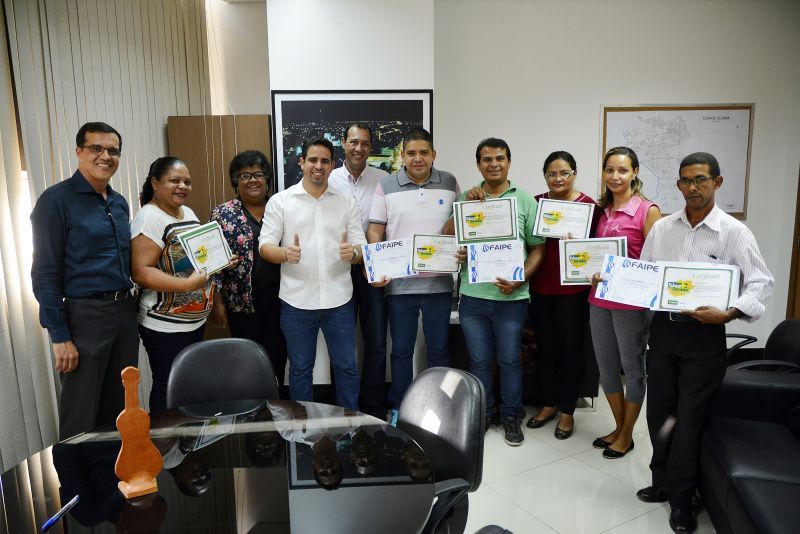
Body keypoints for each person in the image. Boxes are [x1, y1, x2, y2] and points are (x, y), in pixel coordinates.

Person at [636, 152, 773, 533]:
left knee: (689, 417)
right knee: (659, 413)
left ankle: (682, 498)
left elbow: (761, 281)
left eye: (700, 179)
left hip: (705, 335)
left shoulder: (733, 232)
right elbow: (646, 275)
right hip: (664, 331)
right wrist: (612, 279)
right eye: (686, 180)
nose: (692, 187)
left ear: (717, 182)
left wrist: (729, 314)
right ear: (678, 184)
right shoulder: (663, 229)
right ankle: (662, 480)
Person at [31, 122, 139, 440]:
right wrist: (60, 336)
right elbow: (45, 274)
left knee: (121, 408)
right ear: (79, 152)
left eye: (113, 151)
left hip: (124, 313)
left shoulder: (118, 202)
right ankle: (76, 473)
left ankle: (114, 470)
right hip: (84, 317)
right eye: (96, 148)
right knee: (81, 413)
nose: (106, 156)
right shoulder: (55, 201)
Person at [259, 137, 366, 410]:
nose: (318, 166)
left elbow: (361, 247)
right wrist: (285, 254)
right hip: (296, 300)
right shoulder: (281, 201)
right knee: (300, 369)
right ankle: (302, 426)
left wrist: (353, 253)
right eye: (313, 160)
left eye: (325, 161)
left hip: (339, 299)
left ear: (332, 165)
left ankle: (348, 424)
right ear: (302, 162)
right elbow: (265, 247)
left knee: (347, 366)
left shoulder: (346, 202)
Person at [450, 138, 545, 446]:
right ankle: (484, 413)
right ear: (479, 165)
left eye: (500, 158)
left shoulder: (525, 201)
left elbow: (538, 249)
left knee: (510, 361)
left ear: (509, 162)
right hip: (473, 297)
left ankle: (511, 415)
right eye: (487, 159)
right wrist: (465, 212)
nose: (494, 164)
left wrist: (521, 278)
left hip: (511, 299)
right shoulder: (467, 198)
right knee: (478, 362)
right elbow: (448, 237)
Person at [367, 127, 460, 424]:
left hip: (439, 284)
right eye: (411, 153)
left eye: (424, 153)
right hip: (400, 286)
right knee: (401, 351)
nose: (417, 159)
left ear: (433, 155)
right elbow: (375, 230)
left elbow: (460, 225)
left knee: (439, 350)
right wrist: (377, 265)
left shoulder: (449, 182)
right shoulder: (386, 185)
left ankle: (439, 407)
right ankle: (399, 406)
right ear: (402, 155)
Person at [588, 146, 661, 458]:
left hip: (631, 303)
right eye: (609, 170)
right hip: (599, 299)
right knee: (606, 368)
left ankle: (627, 434)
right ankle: (620, 428)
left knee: (632, 368)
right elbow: (592, 254)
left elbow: (655, 262)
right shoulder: (600, 210)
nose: (615, 176)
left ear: (635, 172)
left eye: (622, 170)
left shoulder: (648, 211)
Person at [131, 156, 216, 413]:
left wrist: (221, 260)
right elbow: (141, 272)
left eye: (187, 182)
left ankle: (185, 436)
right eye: (174, 180)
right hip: (164, 325)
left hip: (193, 321)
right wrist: (187, 286)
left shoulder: (186, 212)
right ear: (155, 183)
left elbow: (195, 255)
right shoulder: (149, 217)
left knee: (188, 386)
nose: (183, 187)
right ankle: (162, 438)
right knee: (168, 388)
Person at [527, 151, 599, 439]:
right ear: (545, 176)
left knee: (571, 350)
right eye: (552, 174)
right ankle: (548, 404)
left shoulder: (589, 206)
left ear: (575, 174)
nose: (558, 179)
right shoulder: (537, 203)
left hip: (574, 291)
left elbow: (599, 248)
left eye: (564, 173)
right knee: (545, 349)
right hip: (541, 289)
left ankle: (567, 410)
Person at [210, 150, 287, 386]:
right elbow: (212, 262)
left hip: (283, 300)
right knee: (246, 363)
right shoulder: (223, 213)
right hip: (241, 302)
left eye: (258, 174)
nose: (252, 180)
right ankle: (251, 407)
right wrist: (217, 303)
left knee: (277, 359)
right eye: (245, 175)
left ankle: (274, 405)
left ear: (267, 180)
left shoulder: (281, 207)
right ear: (236, 182)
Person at [329, 124, 389, 417]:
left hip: (372, 268)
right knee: (341, 344)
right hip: (338, 269)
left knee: (375, 340)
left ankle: (373, 406)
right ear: (343, 143)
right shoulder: (328, 178)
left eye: (365, 143)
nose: (359, 148)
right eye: (354, 142)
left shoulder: (383, 179)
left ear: (370, 147)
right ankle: (343, 406)